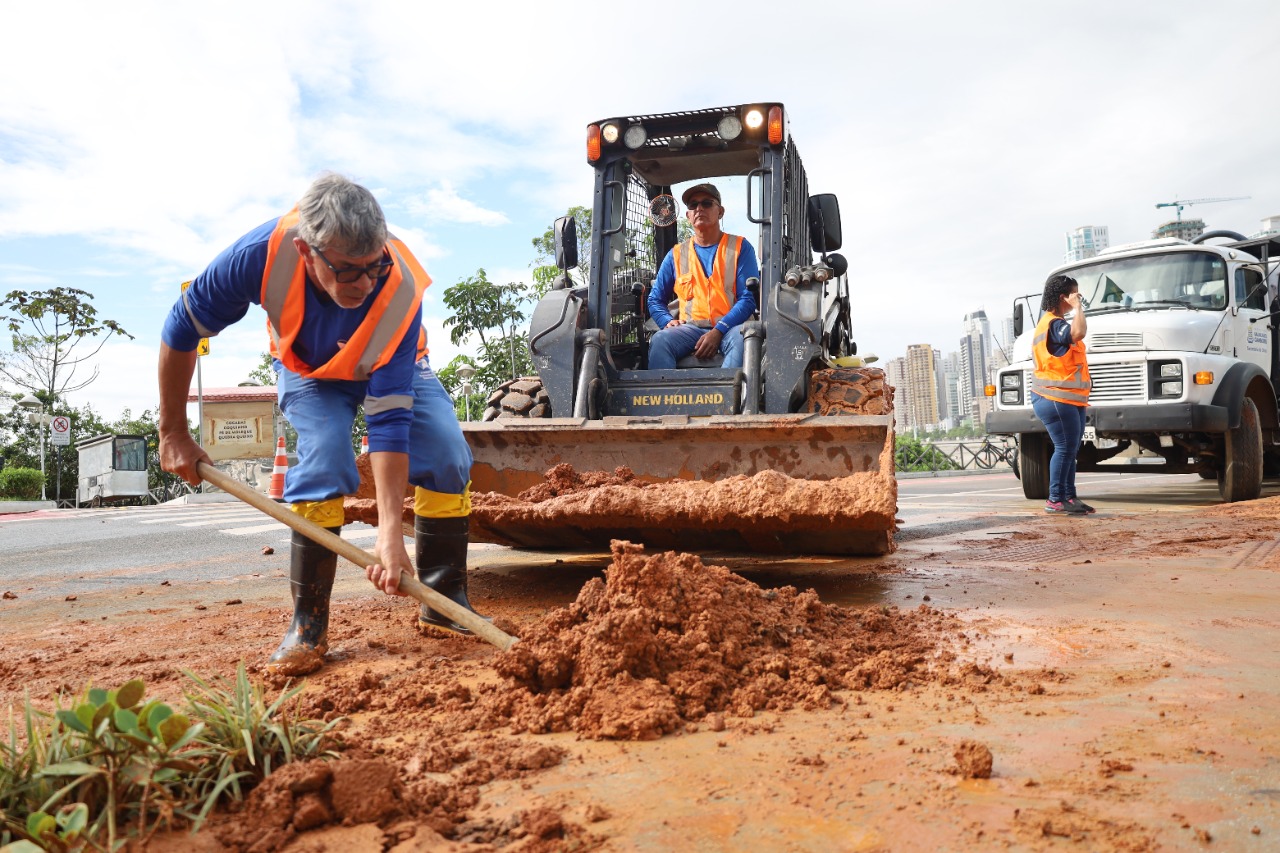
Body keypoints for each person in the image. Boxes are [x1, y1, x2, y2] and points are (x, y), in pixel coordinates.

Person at [158, 173, 486, 676]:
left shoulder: (398, 287)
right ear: (305, 250)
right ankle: (307, 625)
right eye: (346, 270)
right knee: (326, 455)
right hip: (309, 372)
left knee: (445, 449)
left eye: (372, 266)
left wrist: (390, 534)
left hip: (389, 365)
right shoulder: (256, 256)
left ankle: (445, 600)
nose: (362, 283)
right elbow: (180, 331)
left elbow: (389, 419)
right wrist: (173, 432)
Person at [646, 183, 759, 369]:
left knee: (743, 340)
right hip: (690, 328)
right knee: (660, 340)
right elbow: (655, 299)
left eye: (707, 203)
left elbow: (748, 299)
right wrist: (667, 322)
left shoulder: (740, 247)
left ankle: (731, 397)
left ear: (720, 212)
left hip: (732, 327)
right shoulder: (676, 254)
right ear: (688, 215)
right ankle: (663, 398)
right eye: (693, 205)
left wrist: (718, 330)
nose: (699, 208)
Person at [1031, 273, 1095, 515]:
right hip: (1055, 397)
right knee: (1065, 448)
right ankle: (1056, 498)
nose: (1078, 298)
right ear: (1063, 297)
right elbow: (1078, 333)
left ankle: (1069, 497)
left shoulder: (1053, 323)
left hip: (1068, 398)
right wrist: (1079, 308)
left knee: (1071, 449)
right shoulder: (1054, 324)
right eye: (1075, 294)